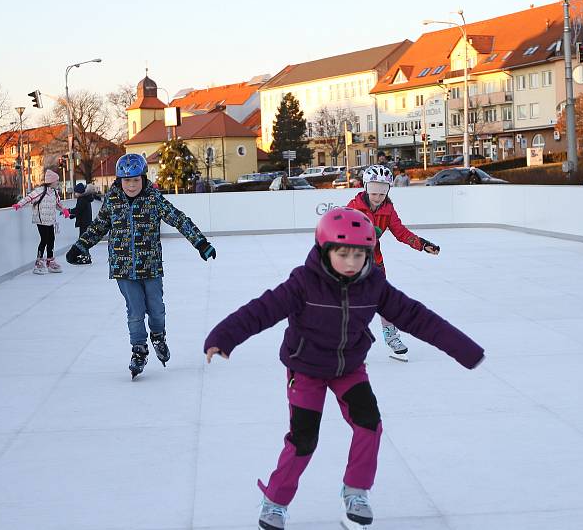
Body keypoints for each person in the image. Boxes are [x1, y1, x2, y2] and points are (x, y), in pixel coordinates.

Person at [203, 207, 485, 530]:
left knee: (369, 424)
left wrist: (464, 349)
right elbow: (262, 310)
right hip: (306, 367)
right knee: (304, 439)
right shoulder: (303, 283)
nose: (352, 263)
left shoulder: (374, 285)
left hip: (349, 366)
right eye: (343, 253)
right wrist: (224, 336)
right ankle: (275, 501)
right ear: (325, 250)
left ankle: (356, 491)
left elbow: (418, 317)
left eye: (359, 255)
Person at [65, 153, 217, 379]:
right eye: (127, 180)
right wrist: (81, 246)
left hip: (151, 266)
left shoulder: (153, 199)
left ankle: (158, 336)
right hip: (123, 268)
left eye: (136, 180)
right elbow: (98, 226)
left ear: (143, 179)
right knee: (135, 311)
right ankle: (139, 349)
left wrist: (200, 242)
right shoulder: (113, 201)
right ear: (119, 181)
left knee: (155, 308)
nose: (132, 185)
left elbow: (178, 218)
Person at [347, 164, 440, 362]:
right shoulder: (353, 207)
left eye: (382, 194)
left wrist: (422, 245)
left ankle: (391, 336)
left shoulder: (388, 209)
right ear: (365, 188)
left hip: (375, 262)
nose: (377, 198)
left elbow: (401, 232)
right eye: (373, 193)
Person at [12, 170, 69, 274]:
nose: (58, 183)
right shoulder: (40, 191)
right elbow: (28, 198)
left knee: (51, 239)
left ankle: (50, 261)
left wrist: (64, 210)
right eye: (57, 181)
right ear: (51, 181)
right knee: (44, 240)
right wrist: (19, 204)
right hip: (41, 220)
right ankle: (39, 261)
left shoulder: (54, 193)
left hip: (51, 220)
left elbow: (58, 204)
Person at [66, 183, 96, 264]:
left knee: (82, 241)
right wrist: (71, 215)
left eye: (75, 192)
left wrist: (69, 211)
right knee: (83, 241)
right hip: (86, 222)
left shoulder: (82, 199)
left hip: (84, 223)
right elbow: (80, 211)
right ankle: (85, 255)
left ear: (79, 192)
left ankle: (86, 257)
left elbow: (78, 210)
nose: (75, 194)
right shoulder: (85, 199)